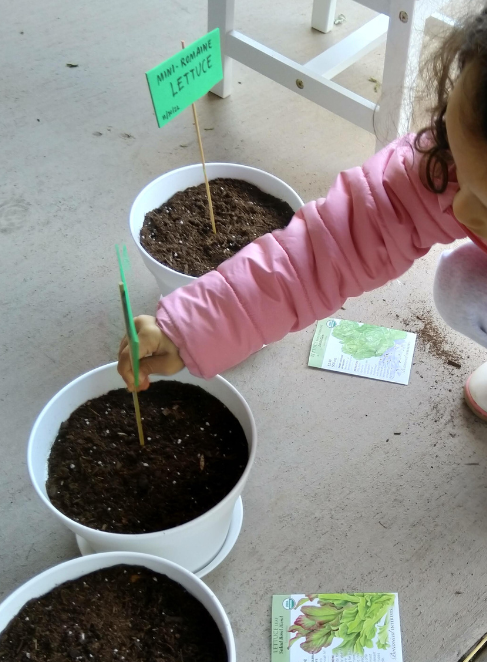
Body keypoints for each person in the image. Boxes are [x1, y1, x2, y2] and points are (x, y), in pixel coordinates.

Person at [118, 7, 487, 420]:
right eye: (453, 149)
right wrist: (191, 328)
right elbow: (329, 250)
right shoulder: (440, 171)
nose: (461, 208)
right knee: (463, 285)